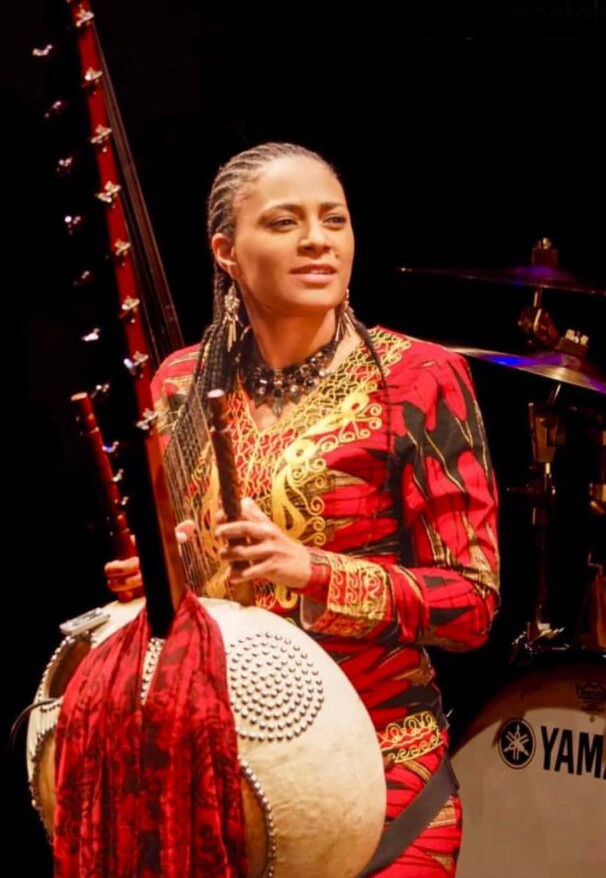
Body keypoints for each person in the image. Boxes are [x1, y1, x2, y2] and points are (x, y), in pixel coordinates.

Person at [107, 141, 500, 877]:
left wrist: (312, 570)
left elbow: (472, 605)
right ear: (226, 252)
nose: (319, 240)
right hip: (220, 778)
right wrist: (162, 580)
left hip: (379, 778)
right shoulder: (180, 383)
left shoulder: (420, 378)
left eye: (335, 220)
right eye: (285, 222)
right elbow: (192, 581)